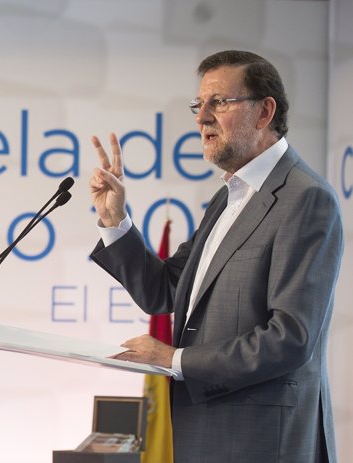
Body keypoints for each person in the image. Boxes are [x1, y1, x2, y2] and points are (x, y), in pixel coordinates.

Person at [89, 50, 343, 462]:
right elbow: (164, 290)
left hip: (263, 443)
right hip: (205, 434)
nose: (202, 116)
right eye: (198, 105)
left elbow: (292, 338)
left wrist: (177, 360)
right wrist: (115, 220)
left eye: (218, 103)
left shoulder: (306, 198)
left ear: (264, 112)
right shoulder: (227, 199)